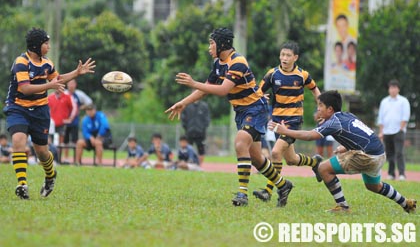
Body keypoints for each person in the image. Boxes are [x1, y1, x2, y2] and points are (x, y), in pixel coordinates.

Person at [166, 27, 294, 207]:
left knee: (240, 142)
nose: (209, 48)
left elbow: (222, 90)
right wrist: (183, 102)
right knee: (257, 158)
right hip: (242, 111)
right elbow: (206, 89)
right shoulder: (218, 63)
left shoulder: (238, 62)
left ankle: (242, 194)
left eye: (211, 43)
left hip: (256, 109)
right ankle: (284, 185)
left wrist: (194, 83)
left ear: (222, 44)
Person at [269, 90, 417, 213]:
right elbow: (363, 133)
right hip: (378, 153)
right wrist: (345, 147)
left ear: (330, 109)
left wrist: (285, 131)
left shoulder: (333, 122)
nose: (318, 108)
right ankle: (406, 203)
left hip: (366, 156)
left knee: (323, 168)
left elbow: (309, 135)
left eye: (320, 105)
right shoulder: (347, 115)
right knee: (373, 186)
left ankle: (343, 207)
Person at [3, 27, 95, 199]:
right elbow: (25, 88)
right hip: (18, 107)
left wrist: (77, 72)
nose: (49, 47)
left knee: (42, 152)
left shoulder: (47, 63)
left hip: (40, 110)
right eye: (46, 44)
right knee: (18, 140)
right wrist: (50, 86)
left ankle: (50, 175)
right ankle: (22, 184)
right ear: (36, 46)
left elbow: (57, 80)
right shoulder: (21, 62)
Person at [253, 41, 322, 203]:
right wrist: (260, 96)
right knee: (291, 159)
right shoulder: (272, 74)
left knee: (276, 153)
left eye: (288, 55)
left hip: (293, 121)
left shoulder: (302, 75)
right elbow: (257, 91)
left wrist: (321, 109)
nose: (284, 58)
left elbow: (315, 90)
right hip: (277, 122)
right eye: (282, 54)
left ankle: (269, 191)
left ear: (295, 58)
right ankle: (314, 162)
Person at [377, 79, 411, 181]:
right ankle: (391, 174)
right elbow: (381, 118)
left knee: (399, 153)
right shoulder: (384, 101)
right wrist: (381, 131)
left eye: (395, 88)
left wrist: (401, 129)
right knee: (390, 153)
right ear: (389, 89)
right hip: (387, 131)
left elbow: (405, 116)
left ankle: (402, 174)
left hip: (398, 131)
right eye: (391, 88)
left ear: (398, 89)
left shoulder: (403, 101)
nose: (392, 90)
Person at [63, 79, 93, 162]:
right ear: (67, 85)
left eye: (73, 84)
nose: (71, 85)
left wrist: (81, 108)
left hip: (74, 121)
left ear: (75, 85)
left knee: (75, 141)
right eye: (69, 84)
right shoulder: (64, 94)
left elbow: (89, 102)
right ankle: (65, 158)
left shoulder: (79, 94)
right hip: (64, 121)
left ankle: (75, 159)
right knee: (65, 141)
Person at [181, 100, 210, 165]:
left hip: (200, 133)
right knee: (188, 148)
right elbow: (183, 118)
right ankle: (188, 164)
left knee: (201, 150)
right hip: (189, 132)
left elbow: (207, 118)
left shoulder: (204, 106)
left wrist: (203, 128)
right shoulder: (187, 105)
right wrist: (186, 127)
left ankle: (199, 165)